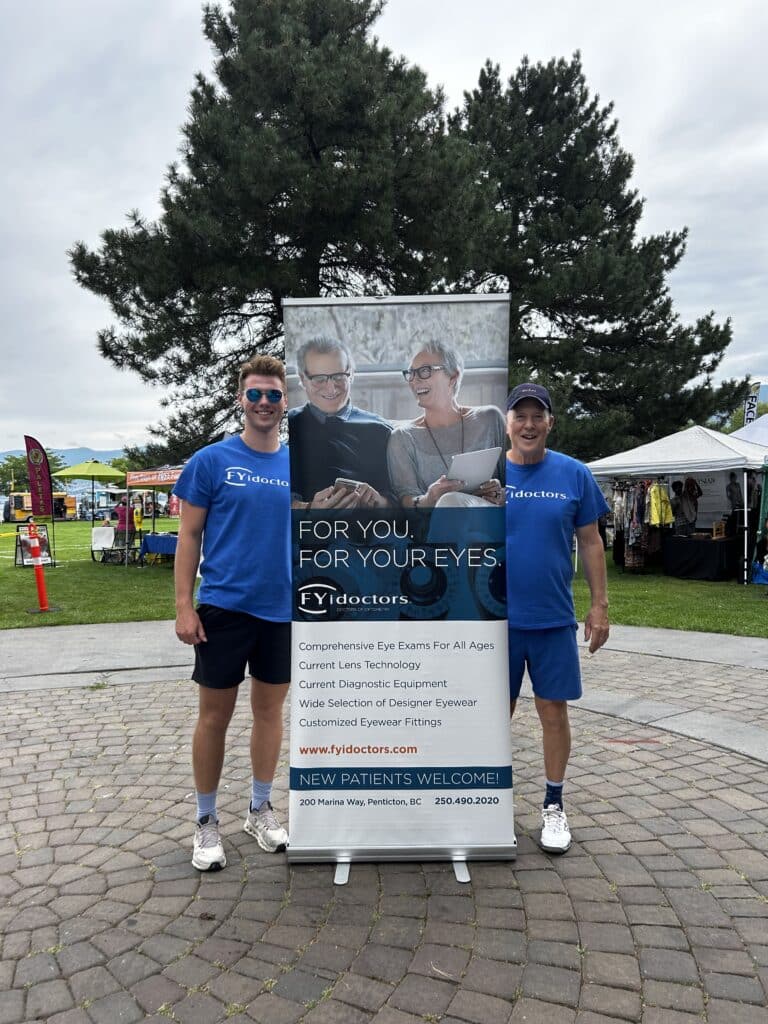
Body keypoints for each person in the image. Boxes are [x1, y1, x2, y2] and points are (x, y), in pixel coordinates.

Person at [174, 354, 291, 871]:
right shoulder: (210, 461)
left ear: (285, 403)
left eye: (273, 394)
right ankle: (205, 822)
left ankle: (259, 809)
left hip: (283, 611)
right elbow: (189, 536)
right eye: (255, 394)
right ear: (241, 400)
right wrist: (183, 605)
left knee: (269, 714)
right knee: (214, 718)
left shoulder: (298, 466)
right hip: (223, 607)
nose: (264, 403)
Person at [505, 382, 609, 854]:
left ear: (550, 422)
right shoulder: (484, 472)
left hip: (551, 618)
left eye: (537, 416)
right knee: (489, 717)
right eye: (519, 415)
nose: (528, 424)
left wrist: (599, 605)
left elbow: (589, 541)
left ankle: (553, 805)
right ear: (507, 422)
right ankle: (487, 803)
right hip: (493, 623)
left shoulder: (574, 474)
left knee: (553, 712)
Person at [387, 341, 505, 508]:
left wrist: (499, 494)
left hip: (488, 520)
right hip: (436, 528)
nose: (414, 380)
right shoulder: (402, 438)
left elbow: (517, 483)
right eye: (411, 373)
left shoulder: (489, 419)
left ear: (452, 377)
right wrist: (430, 499)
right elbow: (406, 504)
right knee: (449, 502)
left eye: (425, 371)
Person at [289, 336, 392, 510]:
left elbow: (400, 509)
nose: (331, 388)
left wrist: (378, 502)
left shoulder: (381, 430)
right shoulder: (286, 426)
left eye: (338, 376)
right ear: (302, 379)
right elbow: (269, 501)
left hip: (370, 531)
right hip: (307, 532)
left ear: (351, 374)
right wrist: (308, 509)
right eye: (319, 379)